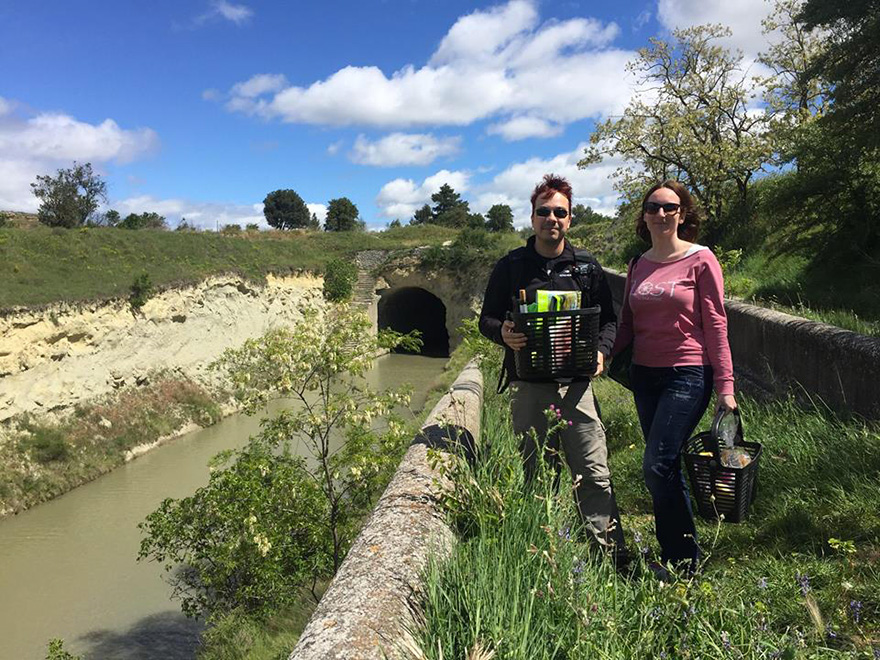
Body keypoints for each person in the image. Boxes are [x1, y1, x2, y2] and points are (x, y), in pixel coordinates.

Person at [479, 174, 628, 562]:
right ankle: (541, 558)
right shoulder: (511, 266)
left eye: (560, 212)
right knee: (534, 476)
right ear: (532, 218)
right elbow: (487, 319)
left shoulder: (587, 268)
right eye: (543, 211)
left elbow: (610, 321)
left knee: (594, 473)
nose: (552, 218)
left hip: (577, 387)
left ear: (570, 219)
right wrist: (504, 334)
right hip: (528, 387)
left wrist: (601, 352)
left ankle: (606, 557)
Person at [611, 180, 737, 574]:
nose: (660, 214)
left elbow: (716, 323)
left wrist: (726, 387)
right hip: (644, 376)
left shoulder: (701, 259)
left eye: (669, 207)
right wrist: (598, 356)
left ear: (683, 214)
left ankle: (681, 562)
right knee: (664, 467)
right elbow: (627, 325)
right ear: (644, 215)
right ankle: (680, 558)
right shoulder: (638, 264)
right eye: (652, 207)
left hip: (688, 372)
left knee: (656, 463)